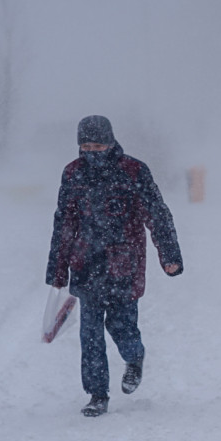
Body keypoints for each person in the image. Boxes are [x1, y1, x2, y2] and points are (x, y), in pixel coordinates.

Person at [46, 115, 183, 417]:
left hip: (125, 263)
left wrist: (169, 255)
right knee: (90, 333)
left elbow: (157, 214)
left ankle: (134, 358)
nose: (92, 152)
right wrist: (57, 269)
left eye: (98, 145)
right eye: (86, 146)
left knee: (121, 326)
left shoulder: (133, 171)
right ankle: (97, 394)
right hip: (86, 263)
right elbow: (64, 223)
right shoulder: (73, 174)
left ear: (110, 142)